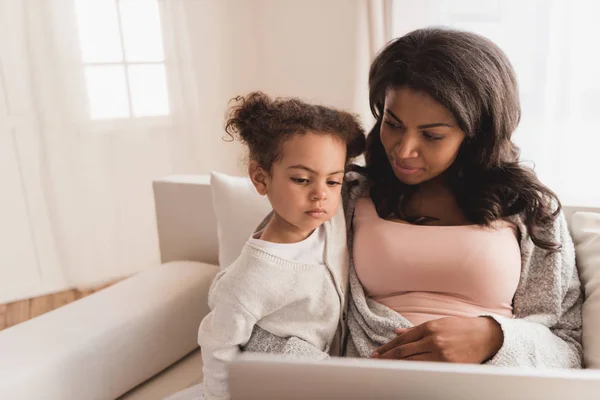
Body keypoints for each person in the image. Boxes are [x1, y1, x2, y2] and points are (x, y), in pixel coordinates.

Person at [344, 27, 583, 367]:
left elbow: (570, 348)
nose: (404, 149)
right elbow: (287, 308)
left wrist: (495, 339)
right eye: (393, 124)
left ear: (475, 134)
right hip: (366, 383)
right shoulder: (345, 196)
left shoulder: (530, 210)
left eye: (432, 135)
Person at [197, 92, 365, 400]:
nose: (320, 194)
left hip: (332, 360)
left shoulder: (331, 216)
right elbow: (217, 345)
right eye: (301, 180)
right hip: (282, 379)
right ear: (260, 178)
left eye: (332, 181)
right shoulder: (250, 278)